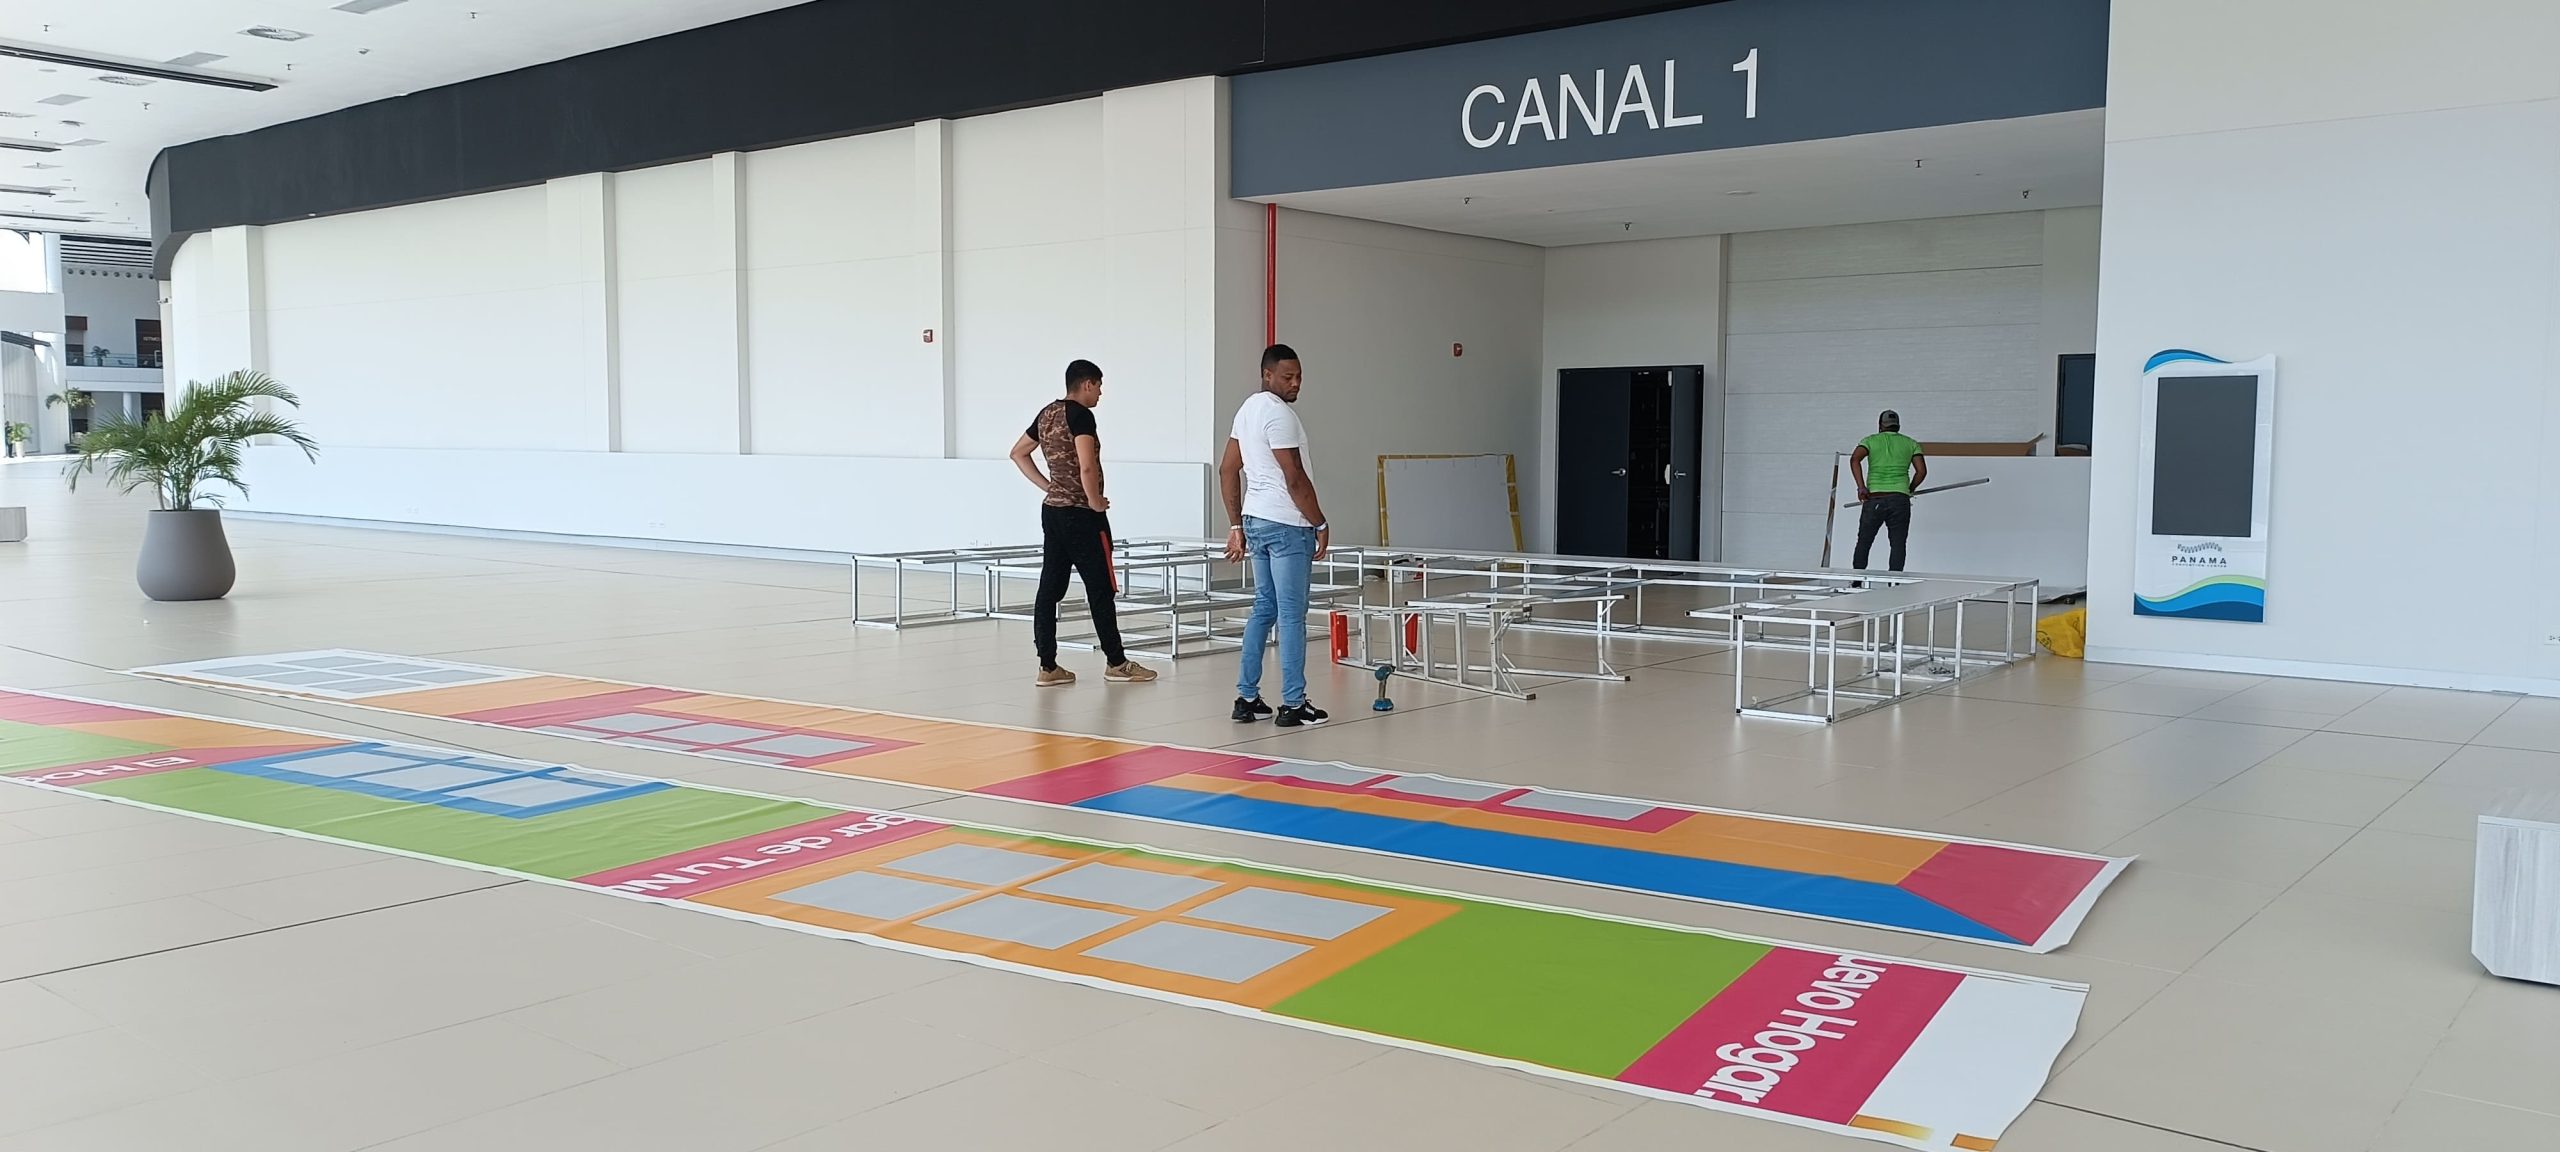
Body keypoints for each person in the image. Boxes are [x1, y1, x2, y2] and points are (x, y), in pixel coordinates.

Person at [1008, 359, 1155, 687]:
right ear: (1087, 383)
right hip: (1082, 516)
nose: (1100, 393)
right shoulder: (1081, 415)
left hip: (1053, 513)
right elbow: (1087, 465)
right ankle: (1116, 662)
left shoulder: (1047, 414)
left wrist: (1049, 487)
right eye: (1099, 386)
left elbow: (1018, 452)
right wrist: (1095, 501)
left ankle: (1047, 665)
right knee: (1100, 588)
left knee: (1050, 588)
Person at [1220, 344, 1329, 728]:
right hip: (1287, 524)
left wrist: (1236, 525)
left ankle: (1247, 698)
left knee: (1264, 607)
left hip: (1256, 520)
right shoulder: (1280, 416)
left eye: (1299, 376)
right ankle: (1294, 704)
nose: (1295, 383)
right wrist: (1319, 523)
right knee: (1291, 614)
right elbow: (1294, 477)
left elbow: (1227, 469)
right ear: (1267, 375)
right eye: (1287, 377)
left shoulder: (1247, 410)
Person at [1850, 408, 1927, 573]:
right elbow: (1921, 471)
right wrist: (1909, 489)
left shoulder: (1870, 441)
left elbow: (1855, 459)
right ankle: (1894, 582)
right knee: (1898, 544)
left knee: (1864, 542)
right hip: (1899, 500)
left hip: (1874, 499)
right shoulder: (1911, 443)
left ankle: (1856, 581)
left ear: (1880, 425)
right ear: (1898, 425)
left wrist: (1861, 487)